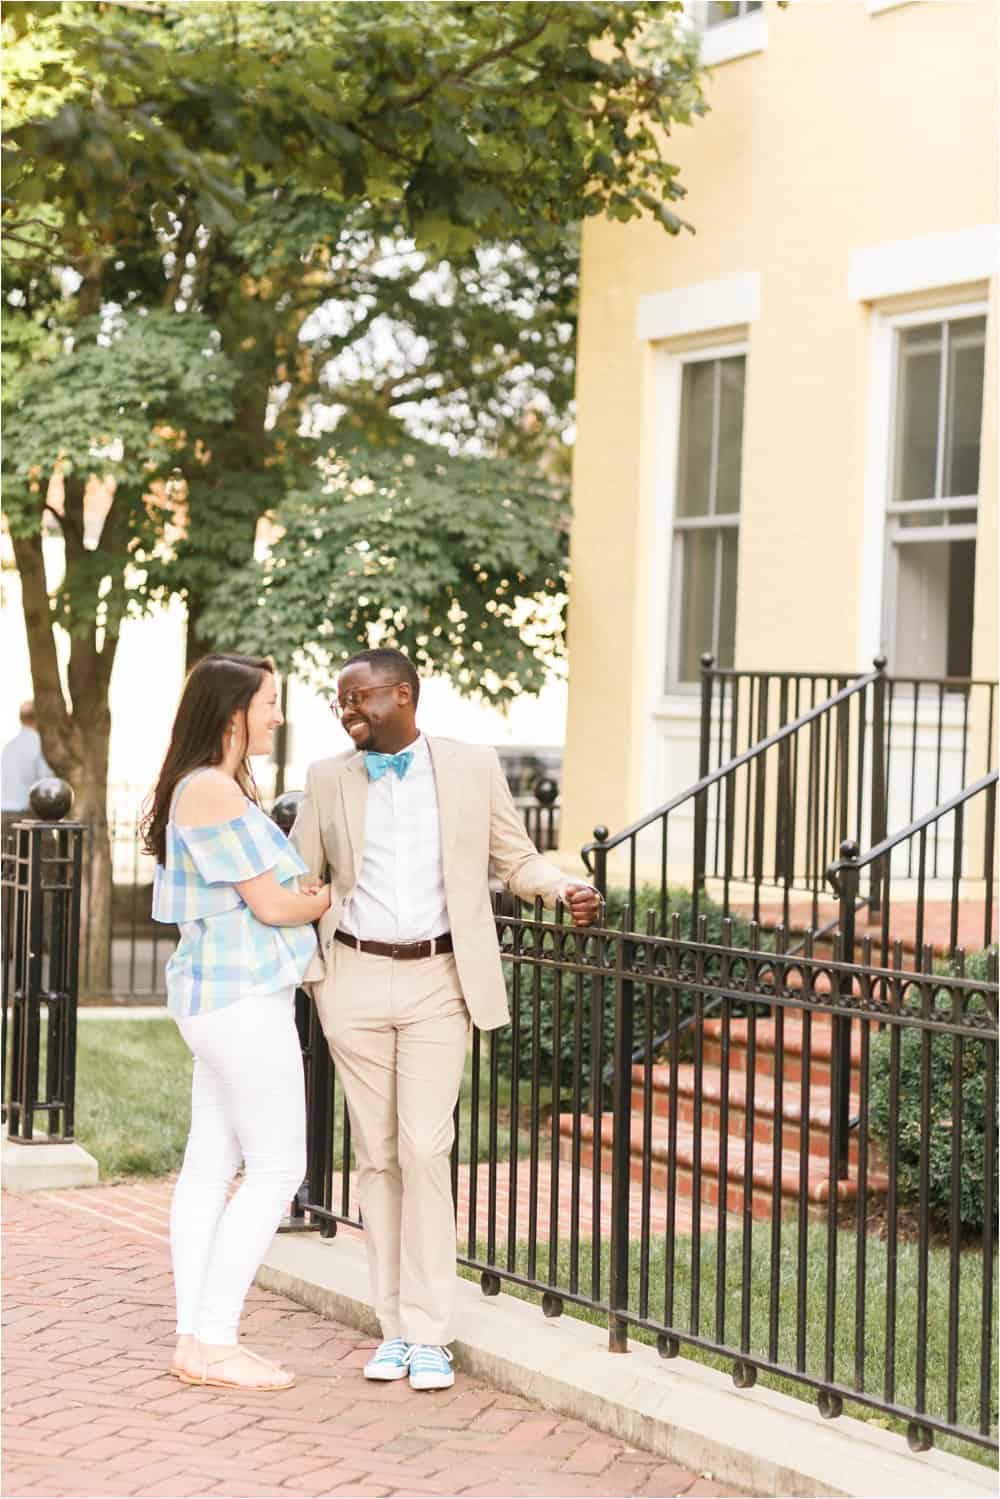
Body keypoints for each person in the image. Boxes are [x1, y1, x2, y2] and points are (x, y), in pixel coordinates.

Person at [291, 647, 601, 1392]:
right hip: (356, 978)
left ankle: (431, 1332)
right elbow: (303, 879)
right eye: (341, 700)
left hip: (438, 978)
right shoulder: (326, 777)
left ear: (403, 694)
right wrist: (315, 977)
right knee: (377, 1157)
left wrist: (562, 889)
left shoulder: (468, 766)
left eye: (359, 697)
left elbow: (514, 858)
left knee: (426, 1148)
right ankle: (393, 1327)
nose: (347, 710)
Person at [143, 652, 331, 1393]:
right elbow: (276, 903)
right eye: (271, 702)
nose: (279, 715)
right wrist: (319, 896)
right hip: (242, 1000)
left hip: (215, 1000)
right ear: (233, 715)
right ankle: (215, 1337)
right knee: (280, 1166)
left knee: (211, 1165)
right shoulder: (214, 790)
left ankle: (196, 1337)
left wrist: (295, 892)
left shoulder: (205, 786)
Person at [1, 701, 52, 848]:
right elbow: (45, 784)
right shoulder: (40, 744)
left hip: (4, 813)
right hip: (28, 815)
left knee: (10, 865)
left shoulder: (8, 747)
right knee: (42, 861)